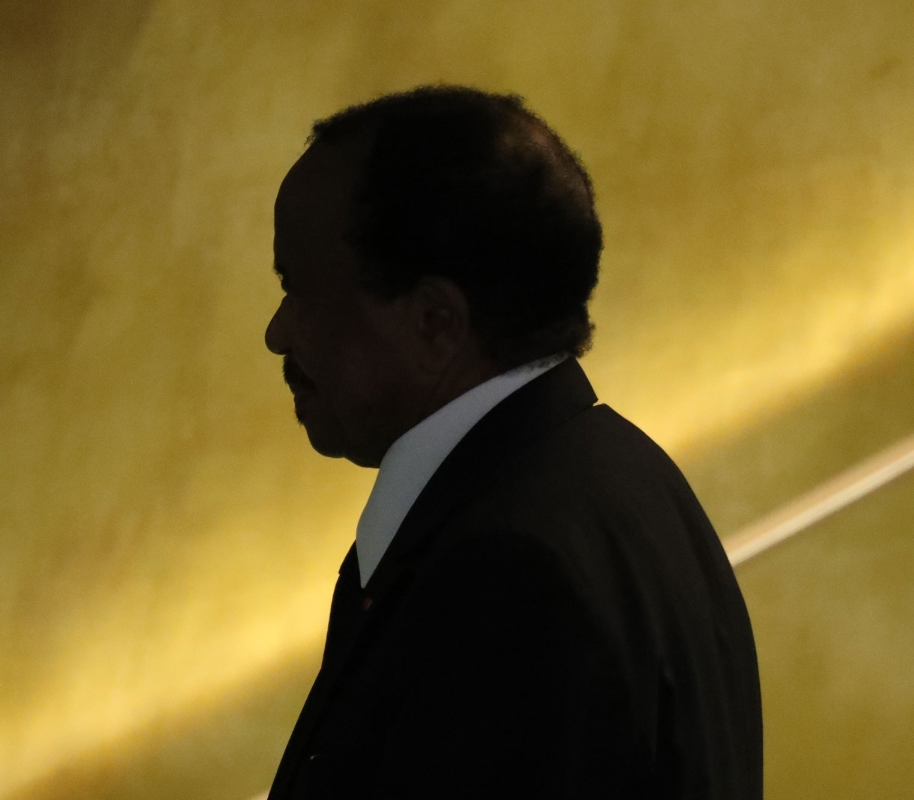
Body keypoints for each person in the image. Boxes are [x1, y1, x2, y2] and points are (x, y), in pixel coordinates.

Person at [262, 86, 762, 800]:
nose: (278, 333)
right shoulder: (626, 479)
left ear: (436, 322)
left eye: (299, 289)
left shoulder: (509, 574)